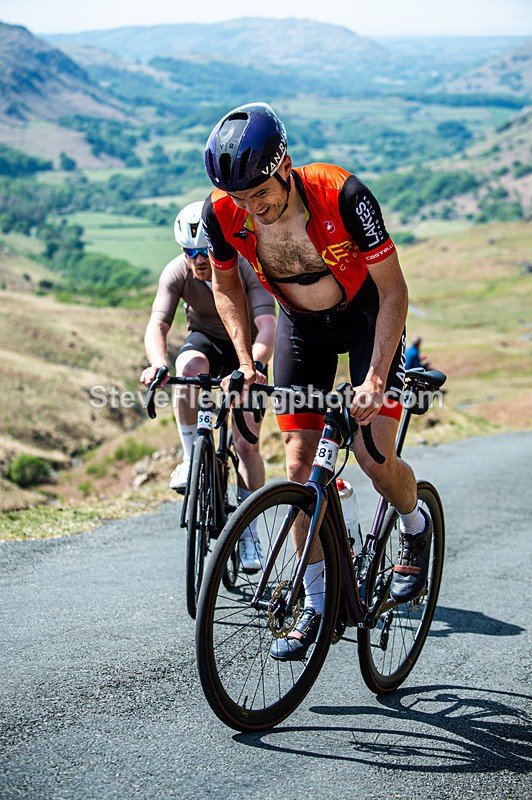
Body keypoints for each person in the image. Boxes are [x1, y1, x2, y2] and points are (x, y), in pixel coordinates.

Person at [202, 102, 433, 659]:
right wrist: (246, 363)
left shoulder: (342, 195)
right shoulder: (223, 214)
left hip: (364, 318)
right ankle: (315, 603)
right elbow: (226, 287)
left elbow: (395, 291)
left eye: (260, 195)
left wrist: (376, 378)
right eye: (240, 199)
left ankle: (414, 521)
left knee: (373, 457)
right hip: (300, 329)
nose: (251, 209)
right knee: (299, 467)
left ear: (284, 166)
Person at [140, 201, 277, 571]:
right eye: (189, 253)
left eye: (203, 252)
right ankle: (191, 455)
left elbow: (267, 324)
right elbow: (158, 325)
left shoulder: (243, 266)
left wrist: (254, 366)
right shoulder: (176, 272)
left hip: (246, 350)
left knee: (246, 444)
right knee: (187, 370)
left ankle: (249, 536)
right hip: (205, 342)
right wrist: (157, 363)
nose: (198, 260)